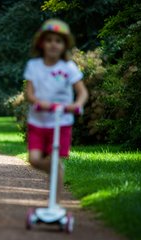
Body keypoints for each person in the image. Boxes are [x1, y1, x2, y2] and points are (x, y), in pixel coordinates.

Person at [24, 19, 88, 203]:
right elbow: (29, 92)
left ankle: (55, 203)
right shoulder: (34, 66)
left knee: (54, 160)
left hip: (61, 122)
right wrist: (39, 102)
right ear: (41, 43)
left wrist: (77, 104)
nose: (53, 44)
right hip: (38, 121)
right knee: (34, 160)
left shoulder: (68, 68)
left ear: (64, 45)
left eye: (58, 41)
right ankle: (57, 170)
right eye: (49, 40)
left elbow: (82, 92)